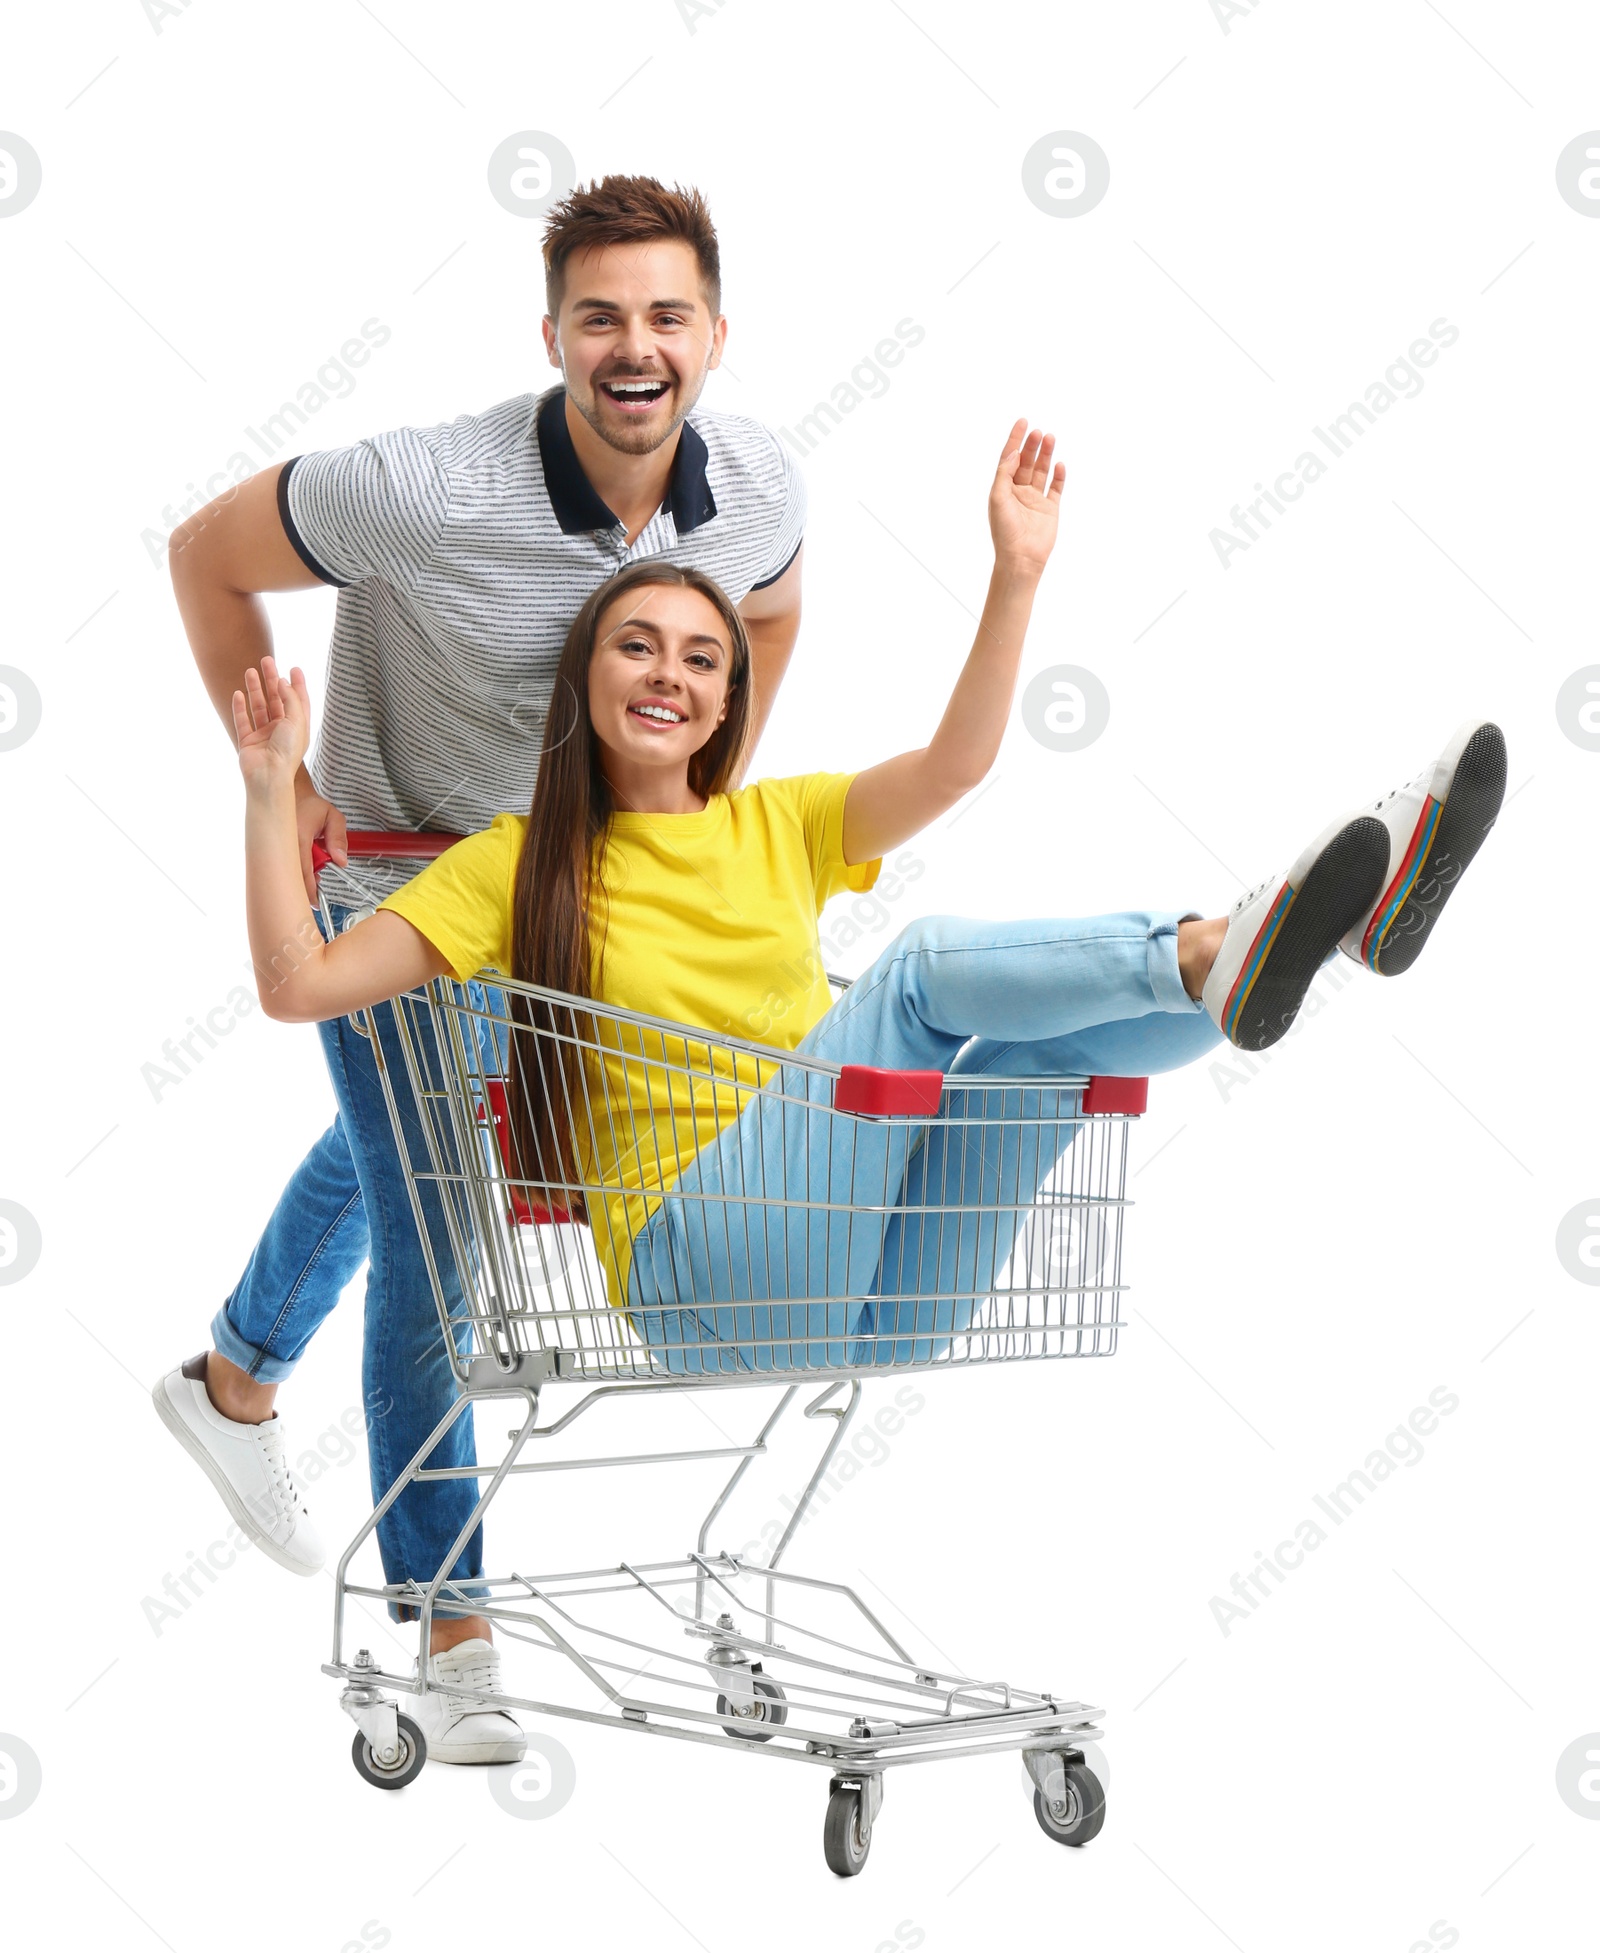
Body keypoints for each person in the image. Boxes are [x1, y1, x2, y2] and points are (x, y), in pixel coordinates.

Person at [225, 417, 1505, 1638]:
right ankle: (1221, 949)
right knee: (924, 971)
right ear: (587, 678)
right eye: (636, 647)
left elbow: (953, 766)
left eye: (701, 656)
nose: (669, 673)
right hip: (696, 1272)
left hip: (878, 1287)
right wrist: (273, 789)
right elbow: (299, 984)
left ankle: (1312, 942)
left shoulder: (778, 823)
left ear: (727, 702)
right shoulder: (514, 865)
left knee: (1044, 1056)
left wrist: (1014, 576)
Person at [151, 176, 808, 1766]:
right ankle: (452, 1628)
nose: (633, 348)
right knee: (441, 1208)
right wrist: (291, 794)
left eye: (665, 317)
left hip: (564, 887)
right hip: (398, 866)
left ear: (714, 335)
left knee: (399, 1150)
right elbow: (202, 552)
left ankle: (234, 1376)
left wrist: (697, 828)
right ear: (554, 337)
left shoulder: (762, 488)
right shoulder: (423, 487)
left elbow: (772, 617)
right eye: (601, 318)